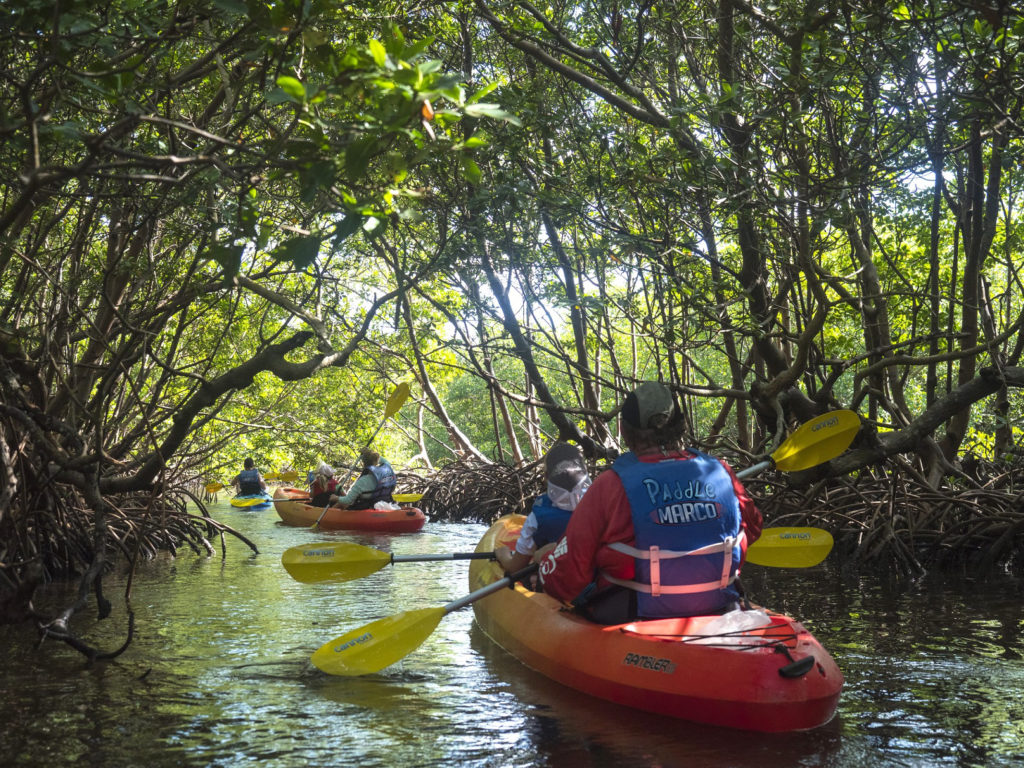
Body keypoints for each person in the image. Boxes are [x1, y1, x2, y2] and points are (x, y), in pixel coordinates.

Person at [537, 381, 763, 624]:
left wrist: (545, 567)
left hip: (631, 614)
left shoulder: (610, 485)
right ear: (682, 425)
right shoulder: (719, 471)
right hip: (720, 606)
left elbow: (569, 578)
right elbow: (754, 528)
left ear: (623, 430)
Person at [496, 442, 592, 573]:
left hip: (559, 585)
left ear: (546, 477)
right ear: (585, 472)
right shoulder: (602, 505)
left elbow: (515, 567)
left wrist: (503, 555)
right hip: (595, 582)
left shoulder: (536, 518)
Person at [329, 449, 397, 508]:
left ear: (363, 463)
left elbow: (348, 500)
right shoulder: (386, 469)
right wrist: (370, 451)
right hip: (386, 501)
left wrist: (335, 498)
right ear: (377, 460)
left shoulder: (363, 481)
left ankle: (327, 517)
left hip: (368, 505)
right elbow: (384, 460)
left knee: (340, 503)